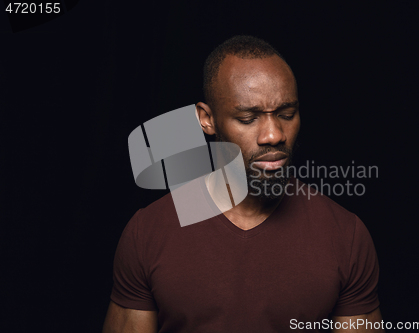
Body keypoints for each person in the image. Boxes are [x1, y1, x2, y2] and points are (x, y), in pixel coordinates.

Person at [102, 35, 384, 333]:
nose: (274, 134)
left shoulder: (346, 236)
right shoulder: (149, 231)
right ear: (207, 120)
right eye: (248, 118)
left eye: (287, 114)